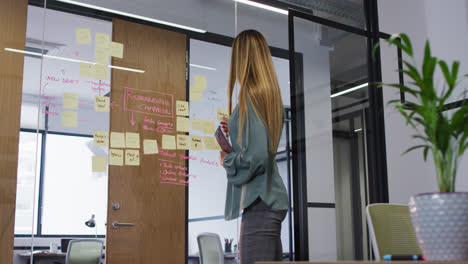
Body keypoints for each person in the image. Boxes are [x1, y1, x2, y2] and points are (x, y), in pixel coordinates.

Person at [219, 29, 289, 264]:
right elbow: (261, 143)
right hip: (271, 199)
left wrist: (227, 159)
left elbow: (257, 156)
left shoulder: (250, 97)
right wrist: (237, 132)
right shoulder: (268, 96)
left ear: (242, 59)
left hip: (260, 203)